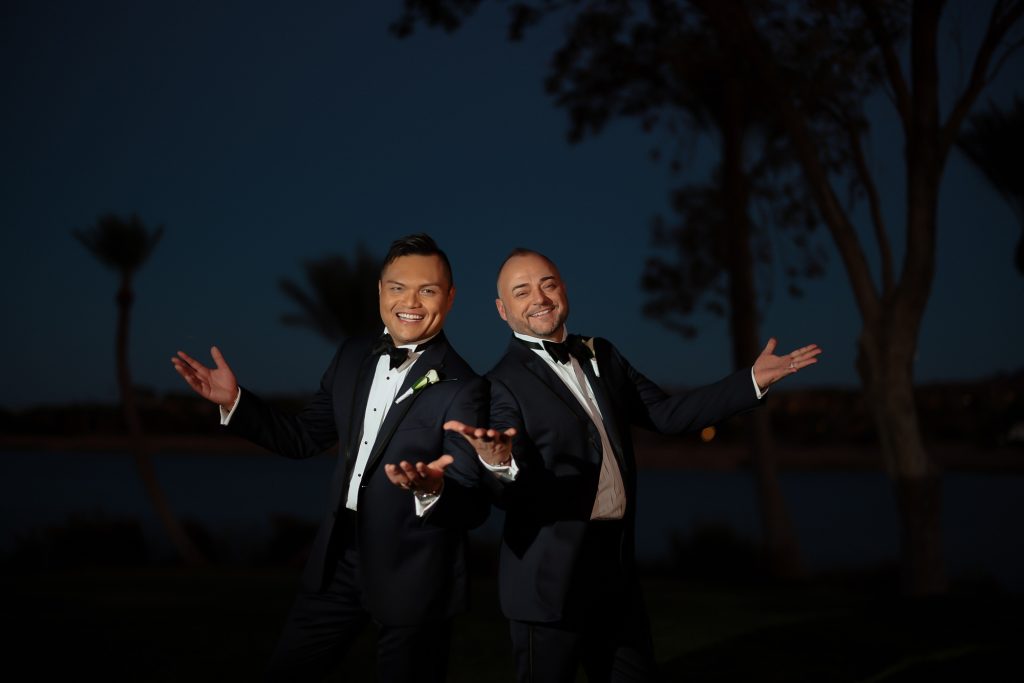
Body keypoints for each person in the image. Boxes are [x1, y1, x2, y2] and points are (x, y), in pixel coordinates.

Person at [441, 248, 821, 682]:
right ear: (502, 310)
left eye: (548, 283)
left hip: (615, 568)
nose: (539, 297)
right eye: (521, 291)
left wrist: (750, 381)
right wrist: (500, 463)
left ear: (564, 288)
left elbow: (667, 414)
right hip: (547, 582)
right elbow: (509, 492)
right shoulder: (499, 384)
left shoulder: (602, 354)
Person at [170, 234, 490, 683]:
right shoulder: (352, 355)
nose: (411, 302)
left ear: (450, 298)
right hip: (336, 562)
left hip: (413, 576)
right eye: (398, 287)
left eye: (428, 290)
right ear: (380, 290)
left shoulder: (465, 385)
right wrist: (237, 402)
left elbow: (474, 501)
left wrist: (435, 489)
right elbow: (303, 437)